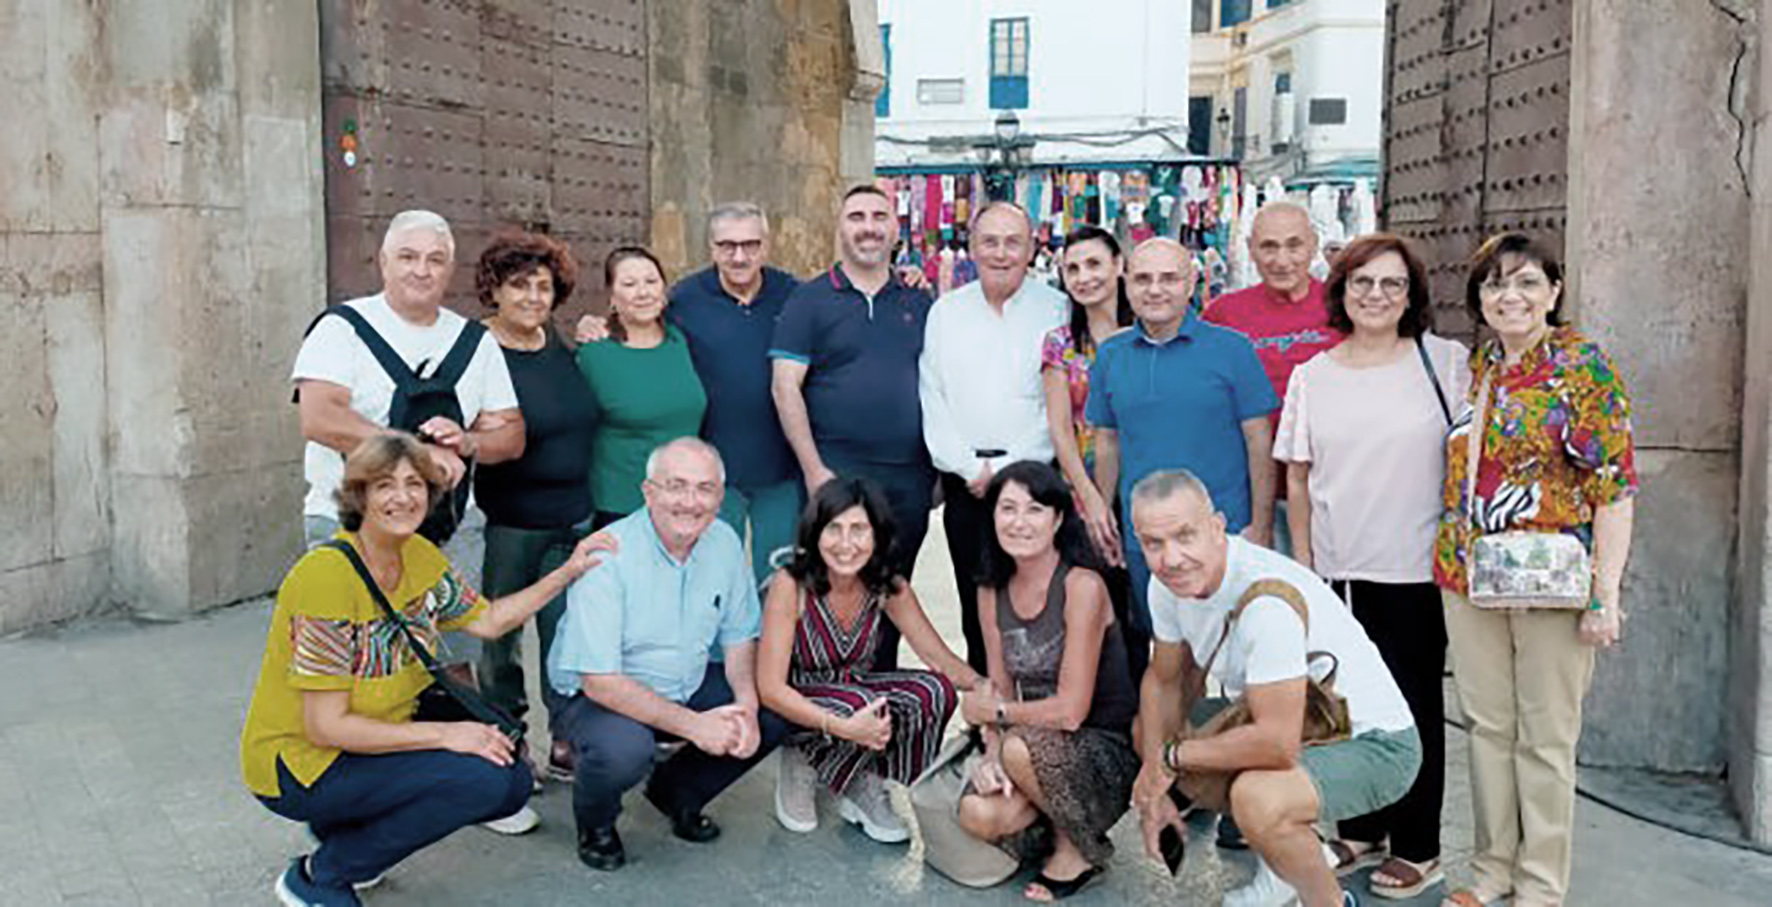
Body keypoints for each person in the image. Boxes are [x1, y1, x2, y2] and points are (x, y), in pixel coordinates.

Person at [240, 433, 615, 906]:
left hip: (376, 734)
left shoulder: (418, 555)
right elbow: (325, 725)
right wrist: (446, 735)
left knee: (511, 780)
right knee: (483, 779)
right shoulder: (324, 580)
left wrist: (568, 572)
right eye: (385, 485)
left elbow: (490, 619)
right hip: (300, 763)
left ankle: (345, 832)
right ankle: (320, 876)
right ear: (359, 495)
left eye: (414, 483)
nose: (403, 497)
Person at [1435, 234, 1637, 907]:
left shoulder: (1583, 370)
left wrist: (1605, 592)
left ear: (1553, 291)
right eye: (1494, 285)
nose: (1509, 296)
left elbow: (1614, 485)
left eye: (1525, 282)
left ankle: (1541, 885)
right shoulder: (1481, 364)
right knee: (1488, 727)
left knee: (1547, 736)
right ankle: (1493, 869)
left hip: (1553, 580)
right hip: (1471, 574)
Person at [1274, 234, 1468, 898]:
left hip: (1416, 568)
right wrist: (1304, 568)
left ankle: (1419, 844)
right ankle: (1360, 825)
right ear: (1342, 292)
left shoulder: (1445, 363)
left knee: (1414, 706)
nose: (1376, 296)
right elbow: (1297, 478)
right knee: (1347, 708)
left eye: (1391, 285)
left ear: (1411, 295)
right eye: (1363, 283)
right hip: (1339, 570)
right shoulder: (1313, 375)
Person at [1128, 470, 1420, 907]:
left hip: (1376, 744)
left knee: (1258, 798)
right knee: (1146, 733)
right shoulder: (1166, 585)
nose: (1171, 558)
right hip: (1304, 723)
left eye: (1185, 536)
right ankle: (1285, 867)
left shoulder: (1266, 601)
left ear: (1216, 525)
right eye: (1154, 543)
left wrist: (1172, 758)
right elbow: (1165, 678)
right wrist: (1154, 777)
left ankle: (1328, 900)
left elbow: (1275, 744)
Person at [547, 438, 790, 872]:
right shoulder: (609, 555)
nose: (690, 502)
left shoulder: (723, 541)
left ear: (720, 495)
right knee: (624, 748)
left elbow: (739, 638)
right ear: (648, 492)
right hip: (597, 697)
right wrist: (696, 727)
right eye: (676, 486)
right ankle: (597, 823)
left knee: (773, 708)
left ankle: (676, 792)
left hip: (684, 680)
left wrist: (747, 711)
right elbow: (599, 681)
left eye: (705, 488)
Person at [579, 204, 806, 582]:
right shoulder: (684, 300)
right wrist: (598, 323)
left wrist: (905, 277)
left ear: (766, 245)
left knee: (778, 582)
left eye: (751, 244)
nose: (739, 256)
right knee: (710, 582)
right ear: (711, 247)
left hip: (780, 472)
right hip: (709, 476)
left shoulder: (796, 296)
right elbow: (638, 326)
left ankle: (773, 645)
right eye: (727, 245)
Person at [1087, 238, 1278, 686]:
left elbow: (1258, 440)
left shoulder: (1231, 349)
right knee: (1166, 651)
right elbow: (1108, 441)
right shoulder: (1111, 355)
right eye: (1143, 278)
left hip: (1224, 533)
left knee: (1236, 655)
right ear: (1126, 284)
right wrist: (1107, 514)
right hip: (1146, 539)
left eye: (1169, 278)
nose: (1156, 289)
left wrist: (1263, 524)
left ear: (1191, 283)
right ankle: (1174, 748)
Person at [757, 477, 983, 842]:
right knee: (864, 705)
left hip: (854, 695)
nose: (846, 544)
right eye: (834, 529)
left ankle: (865, 780)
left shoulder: (885, 584)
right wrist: (842, 728)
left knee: (934, 690)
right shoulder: (792, 583)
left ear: (877, 535)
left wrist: (986, 688)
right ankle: (801, 759)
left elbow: (937, 657)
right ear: (815, 533)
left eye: (859, 529)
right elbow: (769, 688)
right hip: (795, 703)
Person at [955, 461, 1139, 903]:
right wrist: (993, 754)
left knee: (1020, 748)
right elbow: (998, 683)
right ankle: (1054, 818)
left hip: (1102, 748)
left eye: (1035, 509)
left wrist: (997, 719)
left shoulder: (1083, 586)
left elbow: (1071, 711)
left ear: (1057, 519)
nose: (1019, 522)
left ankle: (1078, 849)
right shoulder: (989, 591)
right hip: (1033, 745)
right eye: (1008, 509)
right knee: (977, 813)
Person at [772, 185, 936, 669]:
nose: (868, 226)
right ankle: (825, 709)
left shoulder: (919, 301)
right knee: (830, 591)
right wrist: (813, 470)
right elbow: (785, 388)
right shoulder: (810, 300)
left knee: (892, 590)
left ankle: (881, 699)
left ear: (894, 228)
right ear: (840, 228)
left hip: (909, 478)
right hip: (835, 474)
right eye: (856, 216)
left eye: (879, 216)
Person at [293, 210, 524, 546]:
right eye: (408, 257)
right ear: (384, 262)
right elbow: (320, 420)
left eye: (436, 260)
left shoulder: (477, 342)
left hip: (453, 530)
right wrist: (418, 454)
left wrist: (467, 442)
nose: (421, 270)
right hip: (351, 527)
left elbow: (512, 434)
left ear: (450, 270)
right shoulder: (341, 329)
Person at [469, 231, 599, 782]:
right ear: (494, 290)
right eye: (519, 285)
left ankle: (565, 735)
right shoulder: (475, 352)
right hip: (507, 524)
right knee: (498, 641)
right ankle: (508, 736)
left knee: (565, 636)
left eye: (543, 287)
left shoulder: (564, 348)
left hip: (571, 519)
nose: (532, 297)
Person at [920, 201, 1069, 674]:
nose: (1001, 253)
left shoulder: (1057, 308)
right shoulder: (947, 312)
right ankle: (989, 715)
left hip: (1036, 482)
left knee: (1041, 602)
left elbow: (1059, 405)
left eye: (1012, 242)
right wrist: (967, 467)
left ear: (1031, 248)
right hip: (968, 484)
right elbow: (933, 396)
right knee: (975, 602)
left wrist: (1009, 471)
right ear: (971, 247)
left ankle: (1043, 713)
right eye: (990, 241)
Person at [1205, 201, 1344, 556]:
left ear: (1313, 245)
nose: (1282, 260)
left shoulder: (1343, 306)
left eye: (1294, 245)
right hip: (1249, 491)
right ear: (1251, 249)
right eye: (1269, 246)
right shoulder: (1224, 313)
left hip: (1327, 488)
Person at [1040, 225, 1139, 677]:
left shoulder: (1146, 331)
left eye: (1094, 264)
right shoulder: (1061, 343)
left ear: (1119, 266)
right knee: (1101, 610)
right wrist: (1092, 500)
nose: (1084, 277)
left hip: (1145, 481)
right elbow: (1061, 429)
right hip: (1084, 489)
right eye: (1073, 268)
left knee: (1153, 612)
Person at [577, 247, 708, 529]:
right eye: (629, 284)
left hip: (685, 503)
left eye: (651, 282)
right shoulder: (594, 354)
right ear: (612, 296)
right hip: (621, 508)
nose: (643, 292)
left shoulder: (679, 340)